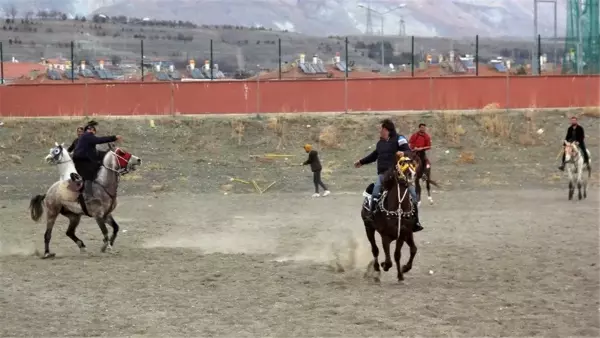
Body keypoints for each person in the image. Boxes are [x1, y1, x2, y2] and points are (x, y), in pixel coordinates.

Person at [354, 119, 423, 232]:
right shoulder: (380, 143)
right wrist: (361, 162)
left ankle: (415, 221)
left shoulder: (399, 139)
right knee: (375, 191)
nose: (380, 131)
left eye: (382, 129)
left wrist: (403, 153)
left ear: (387, 130)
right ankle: (371, 216)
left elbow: (409, 151)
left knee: (412, 193)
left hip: (397, 173)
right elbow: (374, 155)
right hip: (382, 174)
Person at [72, 121, 122, 202]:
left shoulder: (85, 138)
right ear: (92, 130)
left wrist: (106, 153)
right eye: (94, 132)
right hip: (82, 160)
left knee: (96, 167)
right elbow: (100, 140)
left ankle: (91, 190)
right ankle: (88, 197)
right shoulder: (88, 135)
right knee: (89, 175)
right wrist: (114, 137)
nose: (94, 134)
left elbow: (95, 153)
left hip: (82, 159)